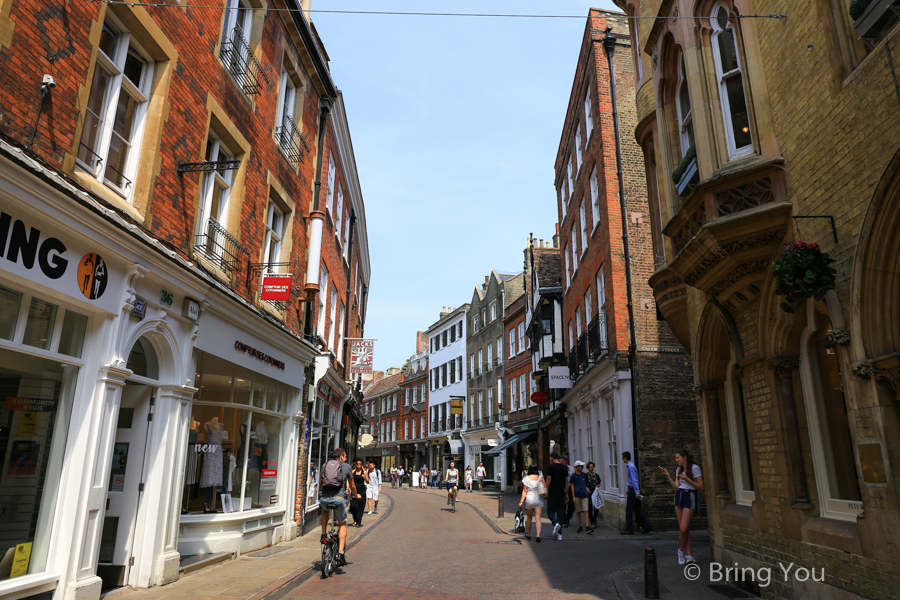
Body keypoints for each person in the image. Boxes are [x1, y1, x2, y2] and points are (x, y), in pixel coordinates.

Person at [660, 449, 703, 565]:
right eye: (675, 458)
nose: (676, 460)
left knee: (684, 528)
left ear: (685, 458)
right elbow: (676, 488)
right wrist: (668, 477)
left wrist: (688, 479)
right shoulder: (678, 470)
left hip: (690, 495)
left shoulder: (694, 468)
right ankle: (689, 555)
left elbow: (701, 487)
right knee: (683, 529)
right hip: (679, 496)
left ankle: (680, 551)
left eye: (678, 457)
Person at [319, 448, 356, 567]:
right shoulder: (347, 466)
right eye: (345, 456)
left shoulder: (325, 465)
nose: (345, 458)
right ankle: (340, 553)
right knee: (342, 524)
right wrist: (356, 495)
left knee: (325, 510)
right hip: (339, 498)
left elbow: (321, 481)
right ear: (342, 456)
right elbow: (353, 485)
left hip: (324, 497)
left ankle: (324, 534)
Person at [621, 451, 653, 535]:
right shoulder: (630, 466)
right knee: (637, 510)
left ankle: (629, 529)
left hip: (633, 491)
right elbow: (632, 480)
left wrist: (636, 492)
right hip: (631, 490)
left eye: (622, 458)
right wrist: (629, 488)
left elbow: (635, 479)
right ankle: (647, 526)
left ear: (625, 458)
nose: (622, 459)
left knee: (629, 510)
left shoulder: (631, 467)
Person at [544, 452, 569, 541]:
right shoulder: (564, 467)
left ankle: (555, 524)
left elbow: (549, 479)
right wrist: (567, 493)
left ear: (551, 458)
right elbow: (566, 481)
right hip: (561, 493)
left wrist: (546, 489)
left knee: (550, 511)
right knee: (561, 513)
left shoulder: (551, 467)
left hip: (553, 493)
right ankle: (559, 535)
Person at [518, 464, 544, 542]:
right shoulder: (540, 478)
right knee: (538, 518)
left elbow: (525, 491)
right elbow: (544, 487)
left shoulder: (526, 479)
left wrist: (521, 501)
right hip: (538, 499)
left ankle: (528, 534)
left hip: (529, 499)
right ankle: (538, 535)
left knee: (529, 518)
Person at [569, 461, 593, 534]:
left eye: (582, 466)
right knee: (578, 511)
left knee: (586, 510)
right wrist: (573, 496)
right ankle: (580, 526)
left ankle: (587, 526)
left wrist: (587, 488)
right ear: (577, 467)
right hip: (577, 494)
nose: (582, 468)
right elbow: (572, 486)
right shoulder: (573, 476)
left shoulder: (584, 475)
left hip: (584, 494)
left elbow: (586, 483)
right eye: (581, 466)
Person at [349, 459, 368, 527]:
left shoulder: (364, 472)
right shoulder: (353, 471)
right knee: (352, 506)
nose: (358, 465)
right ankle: (355, 519)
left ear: (362, 464)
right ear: (355, 464)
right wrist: (347, 489)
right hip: (354, 490)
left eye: (360, 464)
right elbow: (349, 481)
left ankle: (358, 522)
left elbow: (368, 481)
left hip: (362, 490)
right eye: (357, 464)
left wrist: (365, 478)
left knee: (360, 507)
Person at [585, 462, 602, 528]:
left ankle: (595, 519)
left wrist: (598, 486)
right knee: (589, 508)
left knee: (596, 507)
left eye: (592, 467)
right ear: (588, 468)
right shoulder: (586, 475)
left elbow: (599, 483)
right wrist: (586, 488)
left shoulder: (596, 475)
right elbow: (584, 483)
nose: (591, 468)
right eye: (590, 467)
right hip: (589, 493)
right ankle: (591, 521)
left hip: (595, 493)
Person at [560, 455, 575, 526]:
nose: (566, 461)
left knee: (572, 505)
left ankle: (568, 517)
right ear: (561, 460)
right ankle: (565, 519)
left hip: (570, 488)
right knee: (563, 505)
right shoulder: (559, 468)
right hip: (562, 489)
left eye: (567, 460)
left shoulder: (571, 469)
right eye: (564, 460)